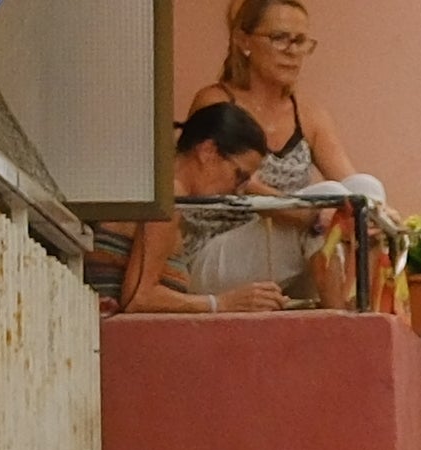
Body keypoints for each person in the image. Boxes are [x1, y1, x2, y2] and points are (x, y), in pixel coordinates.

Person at [172, 0, 348, 308]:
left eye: (301, 41)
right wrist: (307, 214)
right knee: (328, 203)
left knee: (365, 195)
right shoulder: (217, 101)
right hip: (212, 252)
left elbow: (351, 182)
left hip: (290, 247)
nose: (292, 51)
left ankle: (355, 315)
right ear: (243, 41)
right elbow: (243, 184)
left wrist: (379, 212)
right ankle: (345, 324)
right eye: (280, 38)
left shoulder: (308, 112)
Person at [119, 104, 288, 317]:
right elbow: (138, 298)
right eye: (240, 175)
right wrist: (221, 303)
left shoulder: (164, 192)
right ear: (208, 151)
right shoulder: (170, 194)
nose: (239, 190)